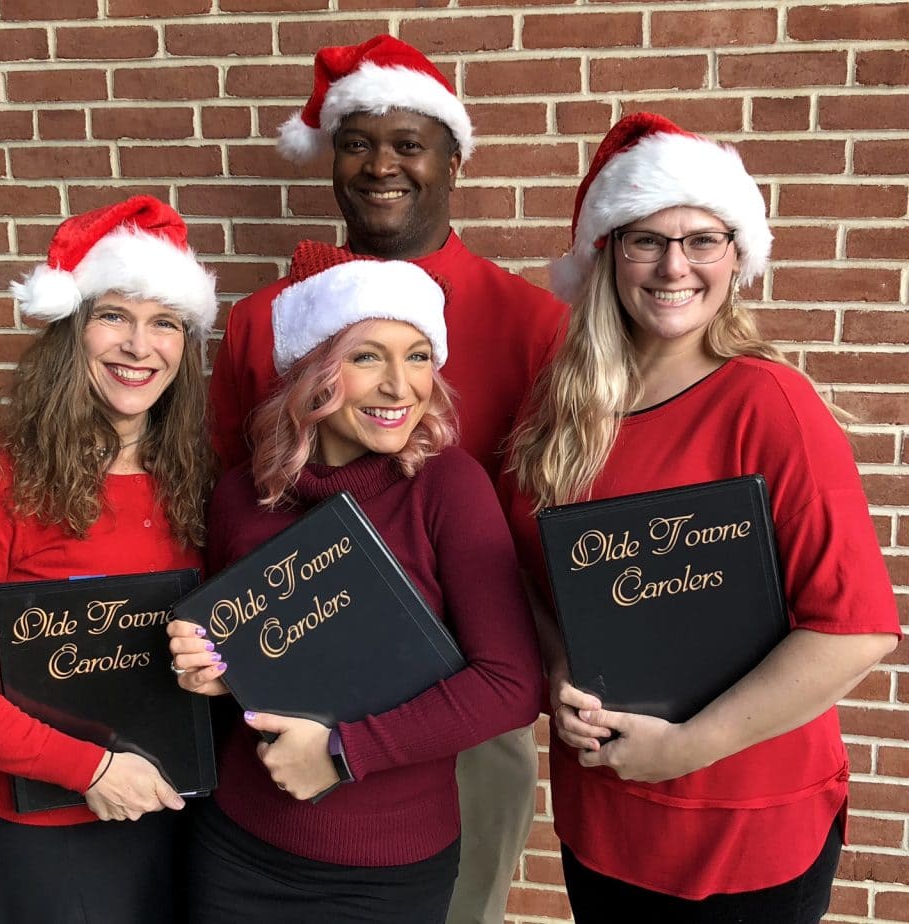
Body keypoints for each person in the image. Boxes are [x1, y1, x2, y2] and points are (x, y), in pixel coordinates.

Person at [505, 112, 902, 923]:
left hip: (744, 827)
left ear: (736, 254)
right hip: (606, 811)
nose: (673, 265)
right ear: (607, 254)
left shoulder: (769, 403)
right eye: (645, 238)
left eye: (701, 239)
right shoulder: (560, 408)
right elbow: (533, 575)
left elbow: (855, 630)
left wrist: (687, 749)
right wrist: (555, 669)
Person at [208, 34, 567, 923]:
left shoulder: (530, 320)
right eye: (358, 142)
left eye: (409, 144)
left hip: (467, 679)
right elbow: (232, 499)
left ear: (452, 159)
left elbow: (553, 506)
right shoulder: (264, 322)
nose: (381, 166)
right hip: (296, 680)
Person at [169, 239, 543, 924]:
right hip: (234, 846)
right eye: (367, 356)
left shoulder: (448, 489)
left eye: (419, 356)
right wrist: (215, 672)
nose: (401, 387)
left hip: (385, 874)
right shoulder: (239, 498)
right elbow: (251, 668)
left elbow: (512, 686)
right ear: (314, 367)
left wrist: (344, 753)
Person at [0, 196, 218, 924]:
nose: (140, 345)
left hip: (174, 805)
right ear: (73, 329)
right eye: (114, 316)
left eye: (164, 322)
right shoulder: (2, 475)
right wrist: (89, 768)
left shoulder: (195, 473)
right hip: (49, 831)